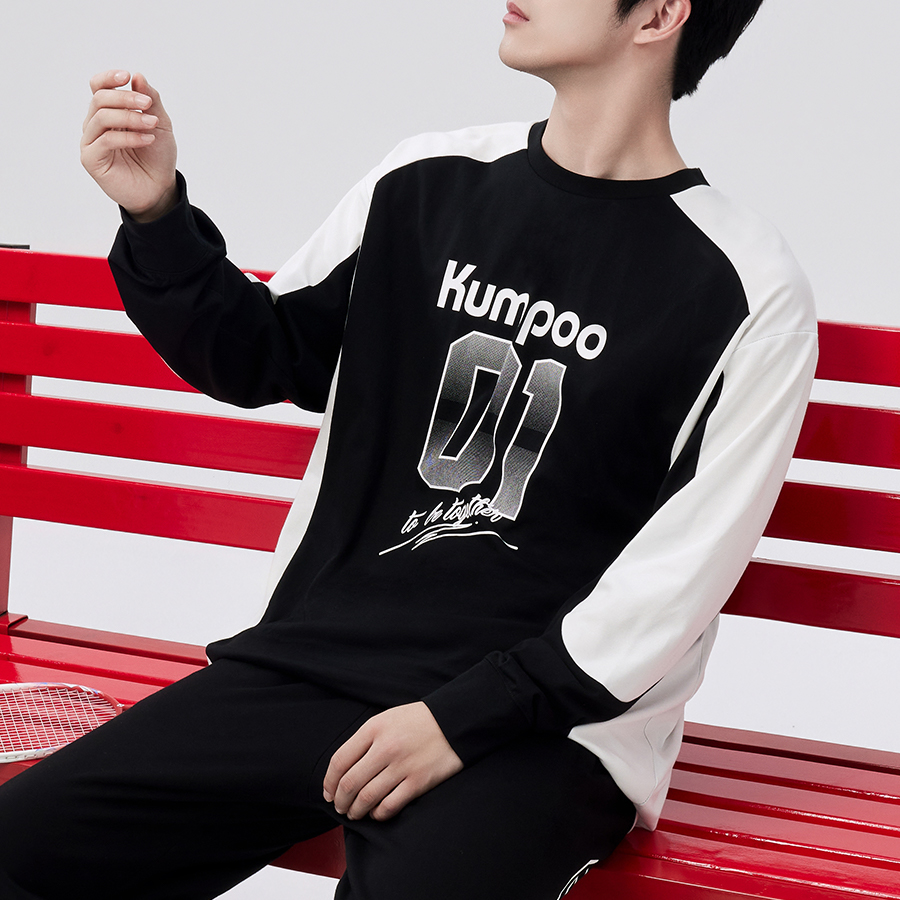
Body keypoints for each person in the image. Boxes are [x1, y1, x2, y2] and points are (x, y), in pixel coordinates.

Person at [0, 1, 817, 897]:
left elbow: (673, 582)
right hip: (321, 663)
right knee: (21, 850)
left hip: (546, 726)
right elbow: (265, 352)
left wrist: (459, 719)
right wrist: (156, 211)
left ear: (658, 13)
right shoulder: (425, 182)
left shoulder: (746, 288)